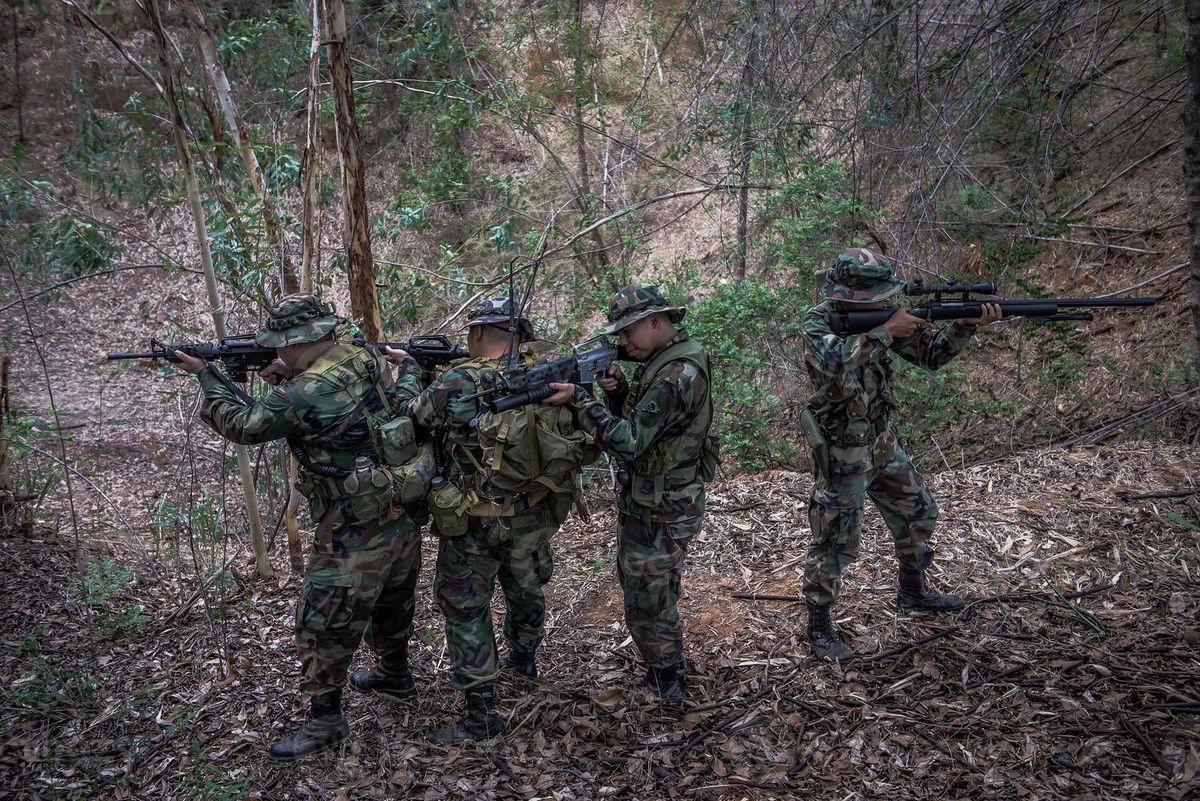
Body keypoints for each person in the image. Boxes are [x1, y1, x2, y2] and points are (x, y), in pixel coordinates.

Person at [173, 294, 426, 760]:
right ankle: (394, 673)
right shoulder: (361, 354)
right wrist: (291, 374)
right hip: (399, 504)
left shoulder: (305, 391)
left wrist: (206, 375)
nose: (277, 354)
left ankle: (326, 719)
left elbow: (245, 425)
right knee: (393, 595)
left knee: (324, 618)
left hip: (353, 523)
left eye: (282, 346)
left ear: (300, 341)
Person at [387, 297, 574, 744]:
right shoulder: (552, 377)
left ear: (475, 335)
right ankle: (524, 657)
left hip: (475, 517)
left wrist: (412, 369)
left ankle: (480, 715)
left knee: (466, 606)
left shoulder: (458, 379)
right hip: (534, 510)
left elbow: (408, 419)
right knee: (525, 584)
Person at [799, 248, 1001, 662]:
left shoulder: (887, 317)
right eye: (875, 296)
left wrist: (963, 325)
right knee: (835, 539)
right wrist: (886, 331)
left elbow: (933, 356)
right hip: (842, 449)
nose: (884, 302)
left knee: (919, 510)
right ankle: (818, 627)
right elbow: (834, 363)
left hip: (881, 440)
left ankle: (912, 591)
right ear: (847, 295)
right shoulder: (819, 322)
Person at [546, 284, 715, 700]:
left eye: (627, 331)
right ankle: (663, 670)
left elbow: (633, 441)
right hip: (656, 500)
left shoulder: (676, 373)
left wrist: (581, 402)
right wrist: (616, 393)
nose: (622, 341)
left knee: (649, 594)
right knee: (648, 588)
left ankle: (666, 683)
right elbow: (651, 429)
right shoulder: (666, 361)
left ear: (656, 321)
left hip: (663, 505)